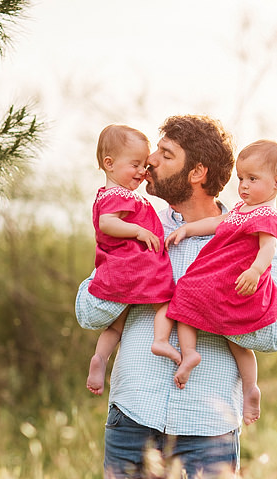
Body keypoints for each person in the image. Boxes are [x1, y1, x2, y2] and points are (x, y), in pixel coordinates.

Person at [75, 115, 277, 479]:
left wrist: (207, 303)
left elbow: (276, 334)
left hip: (208, 432)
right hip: (132, 420)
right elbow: (87, 313)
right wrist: (135, 280)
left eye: (166, 154)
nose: (152, 161)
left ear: (197, 172)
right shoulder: (137, 226)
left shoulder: (255, 239)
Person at [152, 139, 277, 425]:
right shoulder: (241, 211)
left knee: (193, 304)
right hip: (227, 279)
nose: (244, 186)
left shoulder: (269, 216)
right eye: (241, 178)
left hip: (239, 279)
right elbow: (219, 223)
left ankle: (247, 385)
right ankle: (213, 367)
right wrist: (189, 229)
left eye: (253, 179)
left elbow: (267, 249)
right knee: (227, 333)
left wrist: (254, 272)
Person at [84, 124, 177, 395]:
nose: (142, 171)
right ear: (109, 164)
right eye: (135, 164)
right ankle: (160, 339)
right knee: (168, 300)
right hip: (134, 268)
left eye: (144, 165)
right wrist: (138, 230)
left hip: (121, 270)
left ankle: (100, 358)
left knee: (116, 326)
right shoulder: (117, 195)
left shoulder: (114, 194)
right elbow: (106, 223)